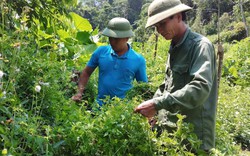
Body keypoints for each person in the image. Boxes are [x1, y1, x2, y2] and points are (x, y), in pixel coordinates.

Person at [134, 0, 218, 152]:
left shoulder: (200, 46)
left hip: (193, 139)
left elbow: (200, 88)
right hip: (171, 135)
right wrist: (155, 106)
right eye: (156, 26)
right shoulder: (174, 46)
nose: (159, 30)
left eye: (163, 23)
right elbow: (168, 85)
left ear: (178, 16)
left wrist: (157, 104)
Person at [72, 17, 148, 106]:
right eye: (110, 38)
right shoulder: (101, 52)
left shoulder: (138, 59)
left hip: (122, 110)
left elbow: (143, 88)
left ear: (126, 38)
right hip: (98, 107)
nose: (112, 42)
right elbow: (86, 72)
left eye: (116, 39)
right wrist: (79, 92)